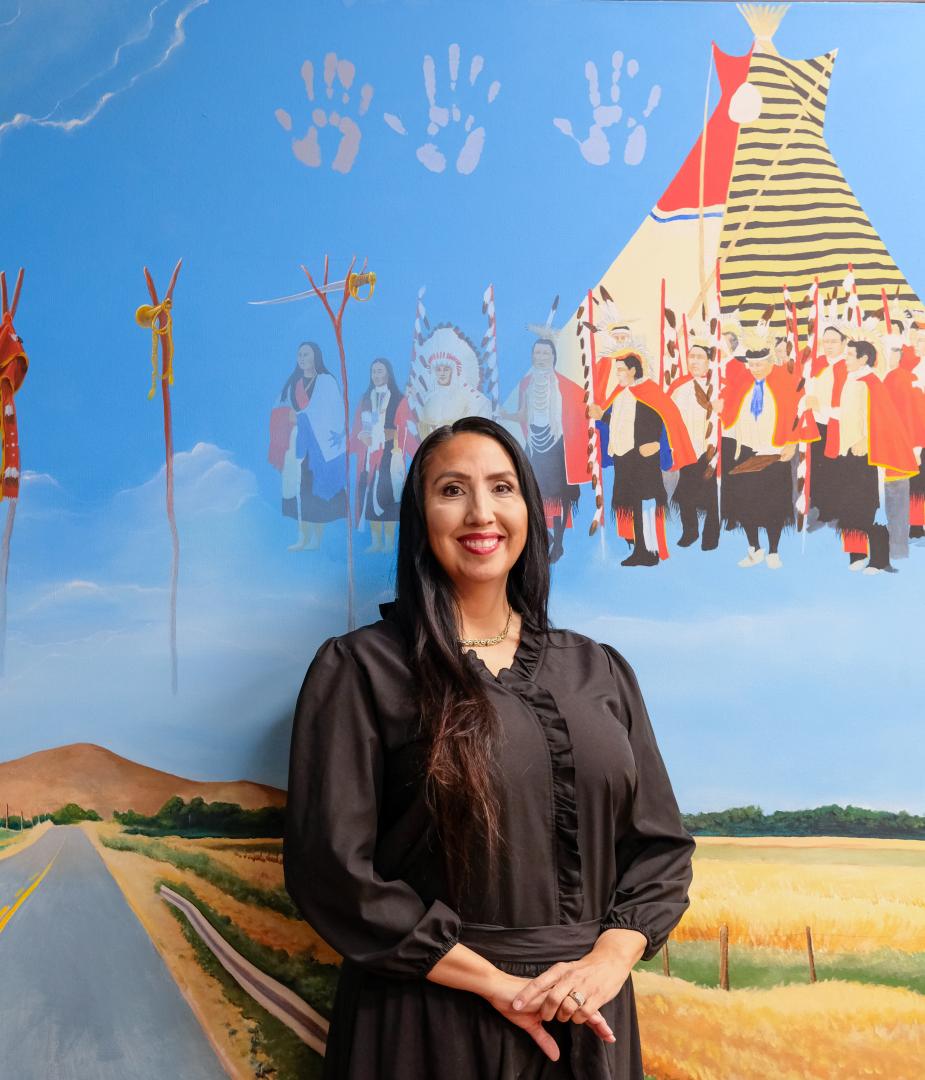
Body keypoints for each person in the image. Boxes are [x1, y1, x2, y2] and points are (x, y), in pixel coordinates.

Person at [284, 416, 695, 1079]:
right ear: (421, 519)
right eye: (452, 490)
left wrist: (607, 960)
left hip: (587, 1016)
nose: (481, 512)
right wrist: (497, 985)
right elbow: (330, 871)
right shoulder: (359, 669)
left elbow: (660, 848)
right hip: (428, 1022)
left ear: (529, 509)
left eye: (502, 487)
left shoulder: (598, 669)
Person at [587, 352, 695, 567]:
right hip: (625, 460)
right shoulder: (621, 394)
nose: (617, 375)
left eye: (620, 370)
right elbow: (616, 421)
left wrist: (659, 445)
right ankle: (637, 548)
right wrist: (600, 416)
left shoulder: (650, 393)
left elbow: (667, 421)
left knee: (645, 504)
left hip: (645, 461)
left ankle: (650, 552)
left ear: (633, 370)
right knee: (629, 503)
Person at [823, 338, 917, 573]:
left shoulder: (872, 382)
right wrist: (818, 408)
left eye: (849, 355)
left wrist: (865, 440)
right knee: (848, 504)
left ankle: (879, 560)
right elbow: (845, 414)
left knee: (868, 506)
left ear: (863, 358)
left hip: (867, 455)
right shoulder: (851, 380)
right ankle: (857, 554)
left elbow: (882, 419)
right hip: (847, 452)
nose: (845, 358)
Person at [717, 340, 812, 570]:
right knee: (745, 504)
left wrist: (792, 442)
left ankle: (773, 551)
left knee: (773, 506)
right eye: (751, 365)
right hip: (746, 452)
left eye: (759, 365)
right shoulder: (743, 383)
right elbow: (729, 409)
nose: (755, 369)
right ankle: (754, 548)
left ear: (770, 363)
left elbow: (799, 414)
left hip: (774, 454)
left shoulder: (786, 383)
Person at [500, 338, 586, 563]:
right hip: (535, 444)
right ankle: (546, 536)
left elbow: (581, 406)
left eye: (545, 353)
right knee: (535, 493)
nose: (541, 357)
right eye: (537, 353)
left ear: (553, 357)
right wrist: (505, 415)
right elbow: (523, 415)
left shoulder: (563, 385)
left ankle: (559, 543)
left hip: (557, 444)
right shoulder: (527, 384)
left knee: (559, 496)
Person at [278, 341, 347, 550]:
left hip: (321, 447)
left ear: (315, 356)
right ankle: (303, 537)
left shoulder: (326, 381)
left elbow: (333, 413)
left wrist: (300, 417)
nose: (302, 358)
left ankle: (316, 540)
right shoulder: (295, 383)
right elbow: (285, 410)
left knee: (317, 493)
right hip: (300, 443)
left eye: (306, 354)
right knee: (300, 490)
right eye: (299, 355)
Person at [350, 358, 412, 554]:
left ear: (388, 374)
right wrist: (362, 437)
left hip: (390, 456)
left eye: (380, 371)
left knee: (389, 499)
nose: (376, 375)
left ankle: (388, 544)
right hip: (370, 456)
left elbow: (406, 428)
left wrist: (392, 435)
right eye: (373, 371)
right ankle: (376, 542)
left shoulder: (399, 400)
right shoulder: (366, 399)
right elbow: (358, 427)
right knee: (370, 497)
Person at [668, 342, 720, 551]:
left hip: (711, 450)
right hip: (686, 448)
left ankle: (711, 536)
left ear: (709, 361)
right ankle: (690, 531)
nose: (695, 361)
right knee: (685, 493)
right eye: (692, 357)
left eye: (700, 357)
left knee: (712, 495)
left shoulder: (718, 386)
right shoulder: (679, 387)